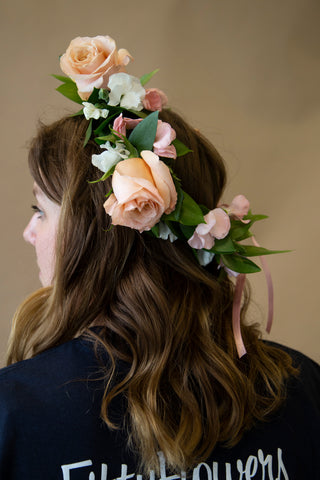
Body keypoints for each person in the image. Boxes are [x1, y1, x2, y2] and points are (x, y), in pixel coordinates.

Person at [0, 35, 319, 480]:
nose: (28, 232)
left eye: (41, 210)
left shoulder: (12, 412)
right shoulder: (301, 387)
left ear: (97, 236)